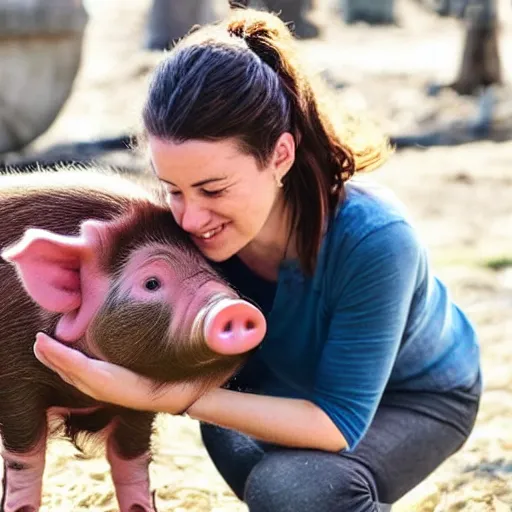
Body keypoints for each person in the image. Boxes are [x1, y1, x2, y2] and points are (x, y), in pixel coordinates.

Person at [33, 8, 482, 512]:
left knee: (294, 490)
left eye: (213, 189)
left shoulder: (376, 240)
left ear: (280, 156)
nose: (189, 218)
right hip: (277, 390)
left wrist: (162, 396)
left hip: (408, 397)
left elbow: (337, 423)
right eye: (172, 190)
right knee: (275, 480)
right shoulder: (183, 238)